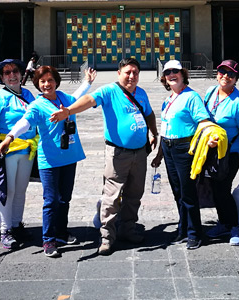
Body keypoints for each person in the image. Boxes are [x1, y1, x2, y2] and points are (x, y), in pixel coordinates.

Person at [50, 57, 158, 255]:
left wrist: (154, 133)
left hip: (140, 153)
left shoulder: (141, 93)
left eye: (135, 72)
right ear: (119, 73)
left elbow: (149, 114)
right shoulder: (109, 91)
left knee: (134, 194)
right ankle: (107, 236)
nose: (132, 76)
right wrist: (68, 111)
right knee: (112, 196)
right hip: (118, 154)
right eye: (128, 72)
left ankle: (128, 229)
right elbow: (89, 100)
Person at [0, 66, 86, 258]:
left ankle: (61, 232)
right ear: (37, 84)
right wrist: (10, 137)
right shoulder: (37, 105)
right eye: (42, 81)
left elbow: (77, 98)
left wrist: (88, 82)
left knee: (64, 198)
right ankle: (48, 240)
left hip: (69, 156)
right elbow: (25, 122)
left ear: (56, 81)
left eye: (50, 80)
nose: (47, 84)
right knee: (51, 200)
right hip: (50, 160)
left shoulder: (63, 97)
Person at [150, 60, 209, 250]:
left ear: (183, 74)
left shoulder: (192, 97)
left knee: (188, 192)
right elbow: (164, 129)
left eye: (175, 71)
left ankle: (195, 233)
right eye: (167, 72)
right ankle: (183, 229)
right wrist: (159, 154)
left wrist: (210, 139)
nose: (171, 75)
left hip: (185, 148)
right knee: (178, 192)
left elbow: (203, 121)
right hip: (168, 148)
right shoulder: (168, 100)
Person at [201, 60, 239, 247]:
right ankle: (223, 223)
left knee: (223, 189)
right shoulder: (210, 92)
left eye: (231, 74)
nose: (225, 76)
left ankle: (235, 226)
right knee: (215, 188)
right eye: (222, 72)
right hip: (212, 150)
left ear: (236, 78)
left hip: (231, 152)